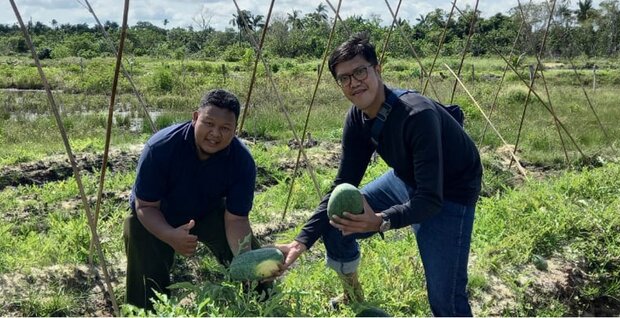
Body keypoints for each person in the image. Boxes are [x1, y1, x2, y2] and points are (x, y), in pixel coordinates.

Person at [276, 32, 482, 316]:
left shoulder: (416, 116)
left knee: (445, 296)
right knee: (338, 222)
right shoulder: (357, 118)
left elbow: (430, 200)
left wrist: (381, 221)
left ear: (377, 69)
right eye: (344, 78)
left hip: (450, 191)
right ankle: (352, 294)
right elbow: (343, 184)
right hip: (405, 178)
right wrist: (301, 241)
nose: (353, 83)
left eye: (360, 71)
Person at [123, 89, 273, 310]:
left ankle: (262, 307)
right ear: (195, 118)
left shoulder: (241, 161)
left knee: (254, 264)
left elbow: (236, 220)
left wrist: (245, 260)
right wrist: (170, 235)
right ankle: (145, 310)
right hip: (158, 213)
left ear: (235, 130)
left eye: (225, 128)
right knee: (137, 232)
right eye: (209, 123)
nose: (215, 134)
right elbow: (145, 206)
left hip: (207, 211)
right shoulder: (161, 148)